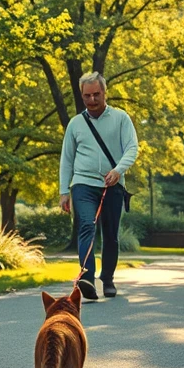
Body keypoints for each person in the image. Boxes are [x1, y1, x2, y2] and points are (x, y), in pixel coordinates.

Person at [59, 72, 139, 300]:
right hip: (83, 184)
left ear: (104, 93)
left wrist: (118, 171)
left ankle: (108, 279)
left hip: (113, 185)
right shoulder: (75, 124)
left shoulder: (121, 118)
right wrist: (64, 191)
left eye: (96, 94)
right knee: (86, 225)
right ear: (82, 96)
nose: (92, 100)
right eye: (87, 96)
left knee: (111, 235)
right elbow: (66, 159)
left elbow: (132, 148)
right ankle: (87, 278)